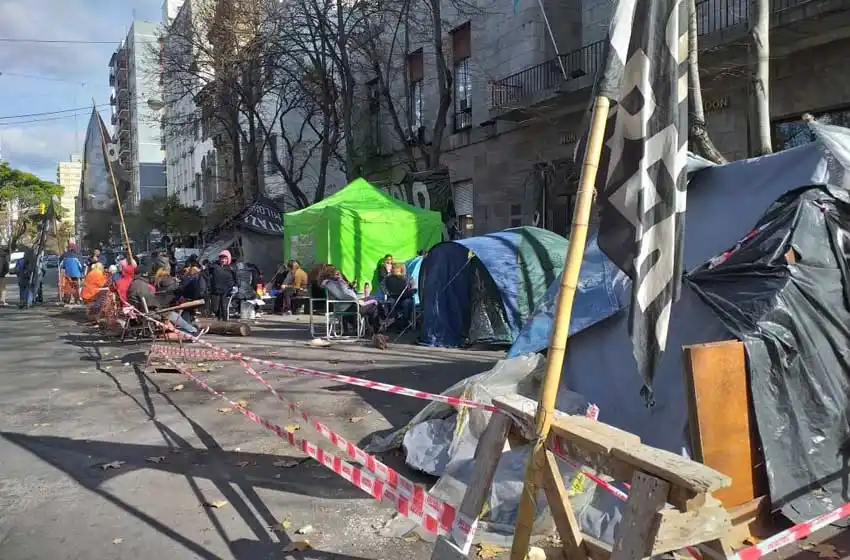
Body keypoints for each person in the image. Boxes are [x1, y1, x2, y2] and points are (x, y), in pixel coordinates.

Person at [127, 270, 205, 337]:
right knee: (172, 315)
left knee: (172, 314)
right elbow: (150, 300)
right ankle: (193, 331)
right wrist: (159, 306)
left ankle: (191, 330)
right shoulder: (141, 285)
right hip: (149, 312)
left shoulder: (134, 284)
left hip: (142, 311)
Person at [321, 268, 382, 334]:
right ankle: (376, 331)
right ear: (330, 275)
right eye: (337, 274)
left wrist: (351, 289)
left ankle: (370, 329)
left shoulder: (335, 283)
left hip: (349, 305)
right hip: (347, 308)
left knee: (372, 299)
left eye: (339, 274)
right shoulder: (330, 284)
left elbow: (345, 294)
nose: (339, 276)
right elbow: (342, 295)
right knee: (374, 306)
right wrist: (357, 300)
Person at [208, 250, 238, 321]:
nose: (223, 260)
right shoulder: (214, 266)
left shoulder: (231, 268)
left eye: (225, 258)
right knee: (215, 308)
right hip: (215, 290)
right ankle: (218, 320)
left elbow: (236, 278)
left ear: (228, 259)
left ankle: (225, 322)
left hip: (227, 291)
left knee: (224, 307)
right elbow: (206, 275)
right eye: (221, 258)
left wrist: (236, 286)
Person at [383, 262, 415, 327]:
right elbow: (383, 285)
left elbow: (414, 287)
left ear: (400, 270)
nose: (393, 270)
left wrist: (411, 290)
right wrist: (387, 292)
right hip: (393, 296)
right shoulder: (388, 278)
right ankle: (392, 321)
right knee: (390, 302)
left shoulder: (408, 278)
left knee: (407, 303)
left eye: (395, 269)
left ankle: (405, 321)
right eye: (393, 268)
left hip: (405, 297)